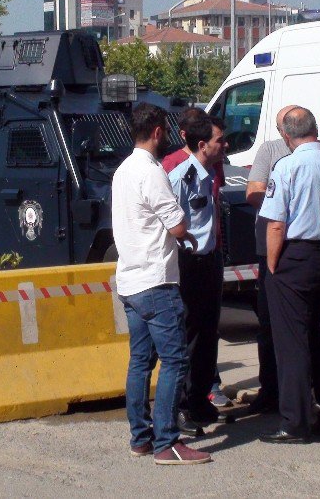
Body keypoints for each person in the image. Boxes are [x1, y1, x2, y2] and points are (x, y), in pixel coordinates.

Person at [111, 102, 212, 465]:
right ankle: (166, 441)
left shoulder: (122, 170)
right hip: (157, 280)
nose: (167, 137)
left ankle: (141, 437)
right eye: (165, 131)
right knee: (174, 360)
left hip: (130, 279)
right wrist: (190, 236)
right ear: (156, 132)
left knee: (140, 361)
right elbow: (178, 226)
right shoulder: (151, 172)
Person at [258, 107, 320, 443]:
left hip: (296, 256)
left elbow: (275, 223)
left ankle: (296, 422)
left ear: (287, 136)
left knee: (293, 341)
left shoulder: (286, 167)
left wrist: (273, 265)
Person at [162, 108, 231, 410]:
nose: (225, 145)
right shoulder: (176, 171)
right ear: (201, 144)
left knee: (208, 332)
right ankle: (182, 405)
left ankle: (201, 399)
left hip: (211, 258)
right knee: (187, 335)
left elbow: (212, 207)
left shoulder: (212, 170)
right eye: (220, 140)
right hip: (187, 263)